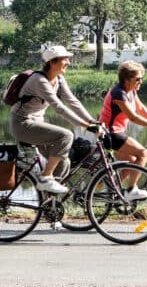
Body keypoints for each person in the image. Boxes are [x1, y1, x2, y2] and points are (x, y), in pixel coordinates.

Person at [10, 45, 101, 194]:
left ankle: (49, 205)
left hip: (37, 124)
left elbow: (72, 102)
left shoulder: (58, 78)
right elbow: (60, 108)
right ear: (52, 62)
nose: (69, 62)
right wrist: (86, 126)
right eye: (65, 59)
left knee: (64, 162)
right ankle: (45, 177)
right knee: (66, 135)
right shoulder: (39, 81)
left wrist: (92, 121)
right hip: (22, 124)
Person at [99, 60, 147, 200]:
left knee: (131, 163)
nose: (141, 82)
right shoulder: (119, 93)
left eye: (142, 78)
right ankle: (131, 190)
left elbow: (141, 108)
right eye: (138, 79)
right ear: (126, 79)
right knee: (143, 153)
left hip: (116, 132)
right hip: (110, 133)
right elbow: (134, 117)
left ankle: (111, 192)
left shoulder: (131, 91)